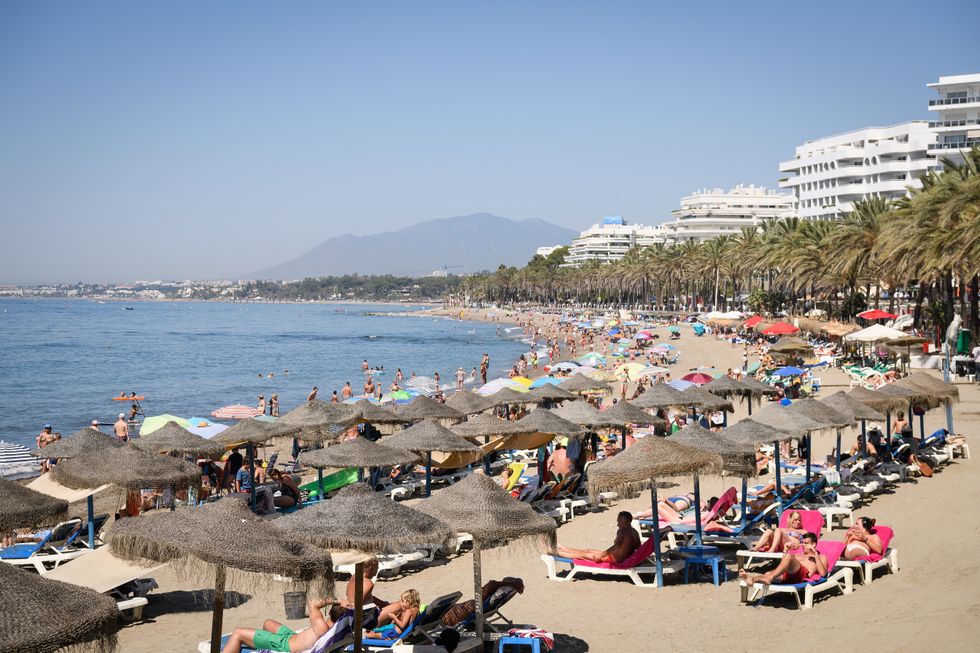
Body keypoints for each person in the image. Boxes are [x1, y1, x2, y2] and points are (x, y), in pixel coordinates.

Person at [221, 600, 347, 653]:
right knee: (268, 622)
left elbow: (313, 603)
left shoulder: (322, 627)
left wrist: (334, 600)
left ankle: (265, 641)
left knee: (237, 633)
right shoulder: (337, 632)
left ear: (330, 611)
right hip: (292, 637)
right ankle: (261, 639)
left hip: (283, 645)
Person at [739, 532, 827, 586]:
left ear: (814, 544)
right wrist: (786, 550)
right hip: (788, 574)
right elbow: (784, 564)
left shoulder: (821, 557)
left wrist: (815, 555)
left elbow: (823, 573)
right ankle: (752, 579)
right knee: (768, 573)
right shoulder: (799, 555)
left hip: (801, 575)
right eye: (802, 543)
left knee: (789, 556)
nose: (803, 545)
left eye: (806, 543)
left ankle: (770, 577)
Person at [555, 511, 640, 563]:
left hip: (615, 558)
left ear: (627, 521)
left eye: (620, 520)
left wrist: (601, 556)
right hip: (619, 556)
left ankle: (556, 552)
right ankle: (563, 548)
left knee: (582, 555)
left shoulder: (622, 530)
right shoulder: (634, 531)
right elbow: (638, 547)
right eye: (618, 519)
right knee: (588, 551)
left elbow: (616, 546)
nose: (618, 521)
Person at [440, 577, 525, 628]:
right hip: (482, 608)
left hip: (476, 607)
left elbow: (483, 596)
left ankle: (444, 621)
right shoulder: (507, 591)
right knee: (454, 608)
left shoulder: (498, 590)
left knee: (451, 611)